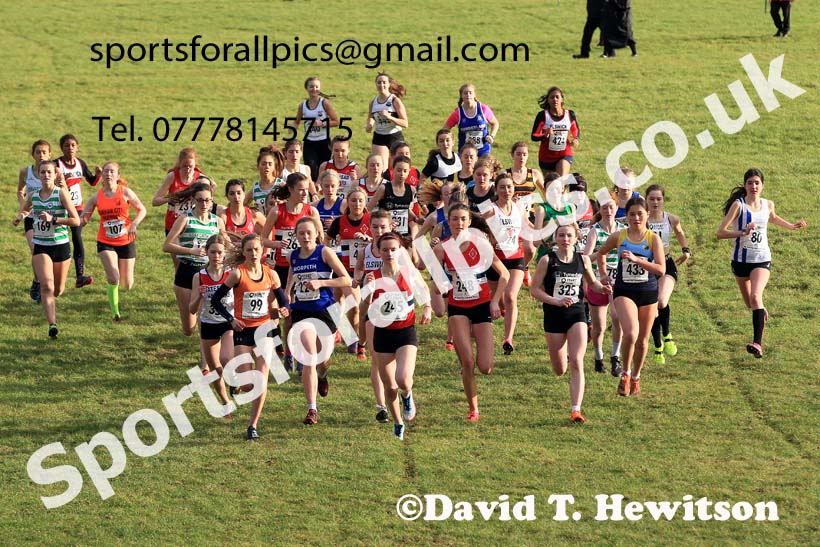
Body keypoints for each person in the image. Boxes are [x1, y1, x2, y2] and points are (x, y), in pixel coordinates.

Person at [716, 168, 807, 358]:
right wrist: (742, 232)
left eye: (757, 183)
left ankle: (757, 343)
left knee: (756, 297)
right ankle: (761, 311)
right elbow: (720, 232)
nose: (754, 186)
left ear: (762, 185)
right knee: (751, 303)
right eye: (750, 183)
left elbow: (772, 218)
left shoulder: (768, 204)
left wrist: (791, 226)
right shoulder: (738, 206)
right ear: (745, 185)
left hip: (762, 259)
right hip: (740, 262)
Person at [434, 204, 509, 421]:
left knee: (485, 367)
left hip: (482, 305)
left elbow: (504, 274)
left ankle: (471, 369)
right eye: (454, 219)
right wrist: (436, 300)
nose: (458, 223)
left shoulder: (482, 245)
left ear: (469, 222)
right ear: (449, 222)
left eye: (462, 219)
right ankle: (473, 408)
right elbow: (430, 273)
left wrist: (495, 302)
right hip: (458, 308)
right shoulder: (443, 248)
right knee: (467, 362)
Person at [209, 233, 286, 440]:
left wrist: (284, 310)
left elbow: (283, 300)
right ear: (243, 252)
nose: (253, 253)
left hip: (264, 330)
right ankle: (237, 384)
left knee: (261, 379)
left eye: (256, 249)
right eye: (249, 249)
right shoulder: (237, 274)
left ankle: (252, 425)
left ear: (262, 251)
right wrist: (230, 319)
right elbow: (216, 300)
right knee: (248, 385)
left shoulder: (271, 274)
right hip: (243, 330)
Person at [532, 224, 611, 423]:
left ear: (576, 238)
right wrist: (555, 301)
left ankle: (576, 410)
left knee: (577, 360)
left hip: (576, 314)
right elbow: (534, 290)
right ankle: (563, 354)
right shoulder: (547, 260)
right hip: (553, 315)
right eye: (561, 235)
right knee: (560, 369)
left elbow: (592, 283)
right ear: (556, 238)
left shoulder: (582, 260)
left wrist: (603, 288)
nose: (565, 239)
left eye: (569, 235)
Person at [285, 217, 352, 425]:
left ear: (316, 234)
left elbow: (346, 279)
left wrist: (322, 282)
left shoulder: (324, 252)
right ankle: (312, 409)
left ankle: (322, 376)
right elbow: (292, 275)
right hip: (302, 313)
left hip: (325, 311)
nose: (305, 237)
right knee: (309, 357)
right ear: (296, 235)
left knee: (323, 360)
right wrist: (287, 294)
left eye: (309, 233)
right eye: (301, 233)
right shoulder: (293, 256)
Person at [366, 232, 431, 440]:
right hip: (383, 334)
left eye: (393, 249)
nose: (389, 253)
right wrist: (368, 290)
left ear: (400, 250)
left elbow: (423, 288)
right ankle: (398, 422)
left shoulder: (408, 272)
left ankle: (408, 395)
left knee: (402, 379)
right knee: (390, 386)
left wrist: (428, 307)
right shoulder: (373, 276)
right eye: (385, 250)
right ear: (378, 252)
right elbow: (364, 306)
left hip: (405, 332)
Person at [597, 197, 665, 397]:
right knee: (631, 334)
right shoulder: (620, 236)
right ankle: (625, 373)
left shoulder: (653, 239)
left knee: (643, 341)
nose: (636, 218)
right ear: (626, 216)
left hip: (648, 291)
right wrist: (603, 275)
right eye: (632, 214)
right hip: (624, 291)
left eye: (640, 214)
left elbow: (661, 269)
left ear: (647, 215)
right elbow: (601, 253)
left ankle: (636, 376)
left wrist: (637, 260)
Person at [261, 173, 323, 370]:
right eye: (301, 189)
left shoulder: (311, 212)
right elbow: (262, 239)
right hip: (281, 267)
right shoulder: (277, 212)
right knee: (287, 314)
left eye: (307, 189)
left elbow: (321, 239)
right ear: (291, 190)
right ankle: (289, 352)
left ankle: (300, 354)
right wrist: (277, 243)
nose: (305, 193)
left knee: (301, 314)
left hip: (305, 267)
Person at [13, 161, 80, 338]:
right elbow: (26, 209)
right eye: (42, 172)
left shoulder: (61, 194)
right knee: (47, 286)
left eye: (49, 172)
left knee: (58, 289)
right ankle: (52, 325)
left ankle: (52, 306)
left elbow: (76, 221)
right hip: (41, 245)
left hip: (60, 244)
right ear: (39, 175)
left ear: (55, 174)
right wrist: (20, 217)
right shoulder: (34, 195)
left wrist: (54, 219)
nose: (46, 175)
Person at [80, 162, 147, 322]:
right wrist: (80, 220)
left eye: (112, 171)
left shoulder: (125, 192)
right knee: (113, 277)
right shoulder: (97, 197)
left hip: (126, 240)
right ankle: (115, 313)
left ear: (117, 175)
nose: (109, 174)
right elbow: (84, 216)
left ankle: (119, 282)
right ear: (102, 175)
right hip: (105, 241)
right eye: (106, 171)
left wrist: (135, 224)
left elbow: (142, 209)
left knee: (127, 284)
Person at [163, 182, 226, 337]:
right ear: (193, 200)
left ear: (212, 201)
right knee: (188, 329)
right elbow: (167, 245)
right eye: (200, 200)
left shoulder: (217, 221)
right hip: (186, 271)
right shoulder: (185, 219)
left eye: (208, 200)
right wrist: (192, 251)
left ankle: (206, 357)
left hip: (209, 273)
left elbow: (226, 246)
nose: (204, 204)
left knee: (206, 321)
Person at [484, 173, 531, 355]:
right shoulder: (491, 209)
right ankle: (502, 308)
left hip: (515, 257)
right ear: (496, 190)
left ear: (514, 189)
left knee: (511, 296)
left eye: (509, 187)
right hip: (495, 260)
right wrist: (489, 239)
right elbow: (477, 225)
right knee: (501, 300)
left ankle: (508, 338)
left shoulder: (520, 208)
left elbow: (529, 227)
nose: (506, 190)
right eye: (502, 187)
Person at [645, 184, 691, 365]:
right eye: (652, 199)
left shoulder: (671, 218)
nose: (655, 202)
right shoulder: (642, 218)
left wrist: (686, 250)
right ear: (646, 200)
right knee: (652, 307)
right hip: (647, 267)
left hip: (666, 263)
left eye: (658, 199)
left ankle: (667, 335)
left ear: (663, 200)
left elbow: (680, 233)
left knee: (661, 301)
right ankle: (657, 347)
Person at [189, 233, 234, 412]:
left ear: (224, 254)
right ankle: (225, 402)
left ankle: (233, 380)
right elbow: (192, 310)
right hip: (208, 324)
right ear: (206, 253)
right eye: (212, 252)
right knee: (215, 369)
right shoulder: (199, 277)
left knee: (225, 359)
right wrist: (199, 295)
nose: (216, 256)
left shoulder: (231, 273)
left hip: (228, 322)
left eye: (219, 253)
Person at [352, 210, 392, 415]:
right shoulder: (365, 251)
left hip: (394, 310)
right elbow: (358, 269)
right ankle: (381, 405)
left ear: (390, 227)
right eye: (375, 227)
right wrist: (358, 279)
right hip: (371, 301)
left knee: (392, 361)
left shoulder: (396, 251)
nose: (378, 231)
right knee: (377, 360)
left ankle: (401, 392)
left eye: (382, 227)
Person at [583, 198, 625, 377]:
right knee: (599, 326)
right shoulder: (595, 231)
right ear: (600, 210)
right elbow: (585, 259)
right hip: (598, 281)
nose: (608, 211)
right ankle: (599, 358)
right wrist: (603, 251)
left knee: (617, 318)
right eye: (605, 208)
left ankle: (615, 357)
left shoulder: (623, 230)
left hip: (618, 280)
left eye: (611, 207)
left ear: (616, 209)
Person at [327, 186, 371, 354]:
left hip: (365, 270)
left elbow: (381, 240)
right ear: (347, 202)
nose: (357, 204)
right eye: (353, 200)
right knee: (338, 301)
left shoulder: (370, 219)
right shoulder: (339, 221)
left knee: (356, 306)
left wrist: (368, 239)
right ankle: (345, 334)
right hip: (343, 269)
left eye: (360, 200)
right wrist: (329, 253)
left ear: (365, 202)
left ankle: (353, 339)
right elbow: (327, 238)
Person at [55, 134, 100, 288]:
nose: (70, 148)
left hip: (77, 208)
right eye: (67, 145)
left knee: (77, 238)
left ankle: (80, 276)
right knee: (58, 240)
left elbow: (92, 182)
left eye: (73, 145)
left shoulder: (80, 163)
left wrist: (98, 175)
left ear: (77, 147)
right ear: (62, 148)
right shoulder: (56, 165)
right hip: (59, 208)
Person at [16, 139, 52, 302]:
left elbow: (61, 190)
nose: (41, 155)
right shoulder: (26, 172)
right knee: (36, 251)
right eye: (38, 152)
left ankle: (40, 281)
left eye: (44, 152)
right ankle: (39, 283)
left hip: (50, 220)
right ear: (33, 155)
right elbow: (20, 191)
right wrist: (24, 206)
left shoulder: (54, 171)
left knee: (48, 254)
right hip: (31, 219)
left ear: (50, 154)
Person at [291, 76, 339, 181]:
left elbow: (336, 121)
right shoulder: (302, 105)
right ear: (306, 88)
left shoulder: (324, 103)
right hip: (309, 143)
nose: (314, 89)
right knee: (311, 171)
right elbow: (297, 121)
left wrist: (322, 124)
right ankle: (314, 196)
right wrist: (292, 129)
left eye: (317, 87)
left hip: (324, 143)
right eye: (311, 87)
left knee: (324, 172)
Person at [153, 147, 201, 237]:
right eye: (184, 166)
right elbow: (155, 201)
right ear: (179, 164)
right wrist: (169, 198)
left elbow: (209, 195)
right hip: (173, 224)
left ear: (195, 164)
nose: (187, 170)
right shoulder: (172, 176)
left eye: (190, 166)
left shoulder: (200, 178)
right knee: (175, 250)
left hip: (193, 224)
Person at [531, 87, 579, 177]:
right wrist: (545, 135)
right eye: (552, 97)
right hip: (546, 157)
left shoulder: (569, 114)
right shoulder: (542, 115)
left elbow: (575, 128)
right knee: (551, 187)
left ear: (562, 99)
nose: (555, 99)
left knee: (560, 182)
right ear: (548, 100)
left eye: (557, 97)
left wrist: (576, 138)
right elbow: (534, 136)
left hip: (564, 154)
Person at [367, 155, 418, 239]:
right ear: (393, 170)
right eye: (399, 170)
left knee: (423, 248)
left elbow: (406, 209)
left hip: (404, 234)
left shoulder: (411, 190)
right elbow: (368, 209)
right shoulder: (384, 188)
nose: (402, 174)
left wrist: (416, 219)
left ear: (409, 171)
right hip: (386, 235)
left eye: (405, 171)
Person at [442, 83, 500, 157]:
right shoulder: (458, 113)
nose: (468, 95)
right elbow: (445, 130)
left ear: (474, 94)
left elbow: (495, 123)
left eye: (470, 93)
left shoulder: (483, 109)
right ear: (461, 96)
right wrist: (449, 141)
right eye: (465, 93)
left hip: (483, 152)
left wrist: (491, 136)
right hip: (465, 154)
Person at [365, 73, 408, 167]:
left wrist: (389, 117)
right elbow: (371, 117)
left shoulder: (394, 100)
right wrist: (369, 125)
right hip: (379, 137)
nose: (381, 85)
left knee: (397, 168)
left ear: (389, 84)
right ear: (376, 84)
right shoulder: (373, 102)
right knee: (382, 169)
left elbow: (405, 123)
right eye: (379, 83)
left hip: (395, 137)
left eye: (384, 82)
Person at [246, 145, 285, 217]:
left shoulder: (281, 185)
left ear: (274, 167)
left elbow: (293, 202)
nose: (267, 167)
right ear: (258, 166)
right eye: (263, 164)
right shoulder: (255, 189)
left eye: (270, 164)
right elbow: (242, 205)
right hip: (263, 225)